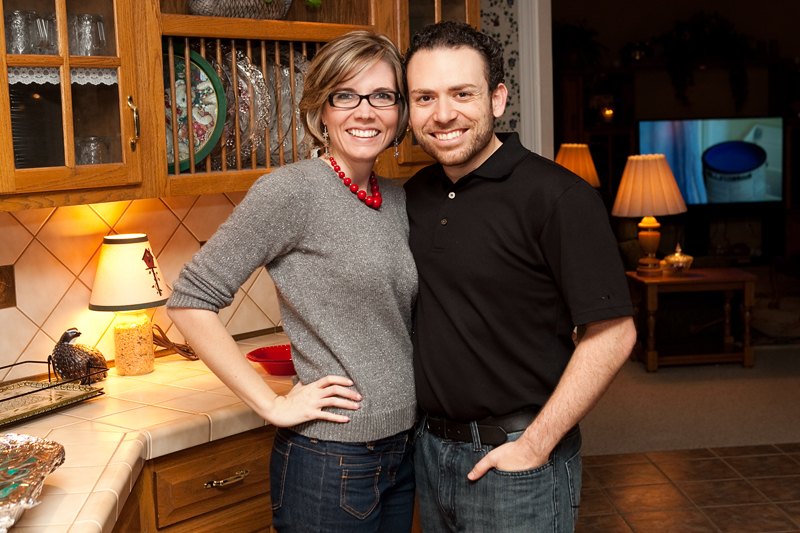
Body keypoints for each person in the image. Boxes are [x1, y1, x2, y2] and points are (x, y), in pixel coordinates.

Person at [167, 31, 418, 533]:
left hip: (405, 448)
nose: (365, 111)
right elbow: (188, 301)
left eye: (382, 96)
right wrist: (272, 404)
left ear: (400, 112)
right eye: (345, 95)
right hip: (331, 459)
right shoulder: (290, 191)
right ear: (321, 110)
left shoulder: (398, 197)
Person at [403, 21, 637, 532]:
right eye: (425, 97)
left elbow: (614, 333)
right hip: (429, 454)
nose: (443, 115)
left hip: (519, 463)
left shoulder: (559, 197)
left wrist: (534, 444)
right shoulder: (413, 195)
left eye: (462, 93)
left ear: (496, 99)